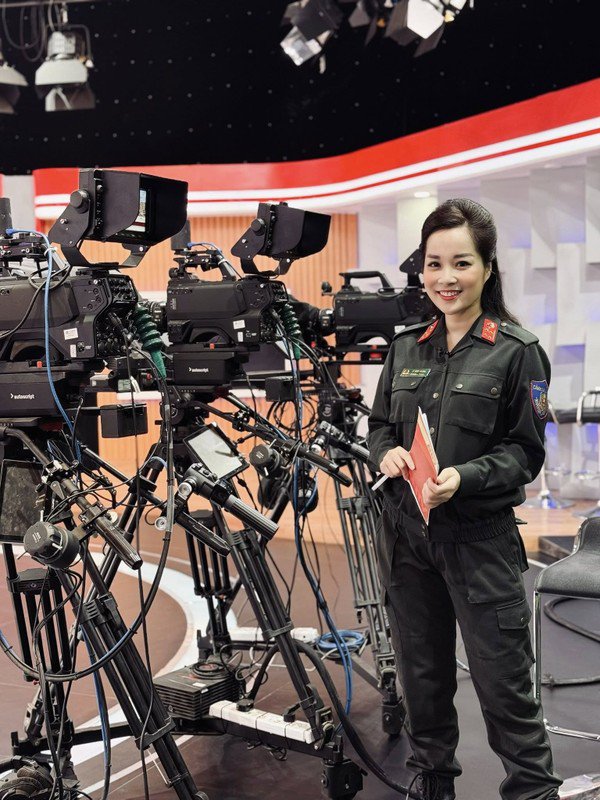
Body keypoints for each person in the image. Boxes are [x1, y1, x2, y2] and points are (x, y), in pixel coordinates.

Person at [367, 198, 562, 800]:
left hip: (479, 541)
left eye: (461, 263)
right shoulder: (405, 347)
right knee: (422, 680)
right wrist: (385, 454)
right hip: (407, 540)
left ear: (487, 267)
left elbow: (526, 453)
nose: (446, 278)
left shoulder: (518, 351)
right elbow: (380, 425)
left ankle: (533, 790)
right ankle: (433, 784)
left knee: (505, 687)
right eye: (434, 264)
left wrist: (466, 477)